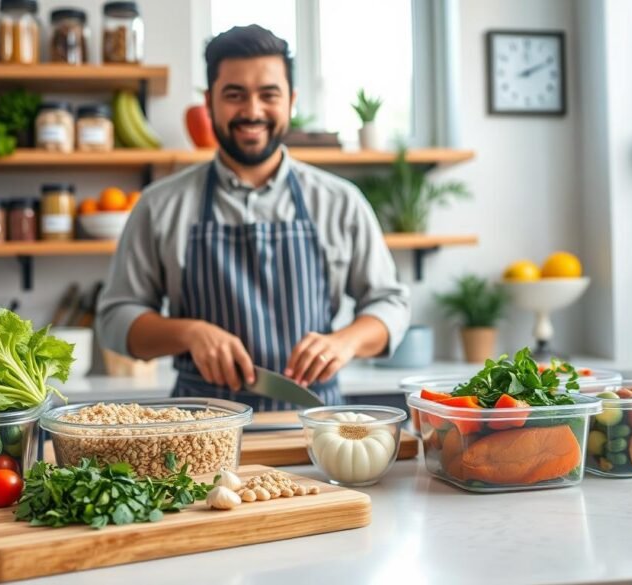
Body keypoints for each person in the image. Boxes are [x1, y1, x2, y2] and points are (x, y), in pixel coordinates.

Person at [96, 24, 409, 410]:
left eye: (269, 94)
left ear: (290, 101)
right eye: (235, 95)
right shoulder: (161, 205)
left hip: (313, 430)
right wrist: (188, 333)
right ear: (209, 102)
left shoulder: (340, 202)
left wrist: (345, 341)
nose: (253, 111)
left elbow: (390, 304)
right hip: (199, 432)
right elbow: (114, 320)